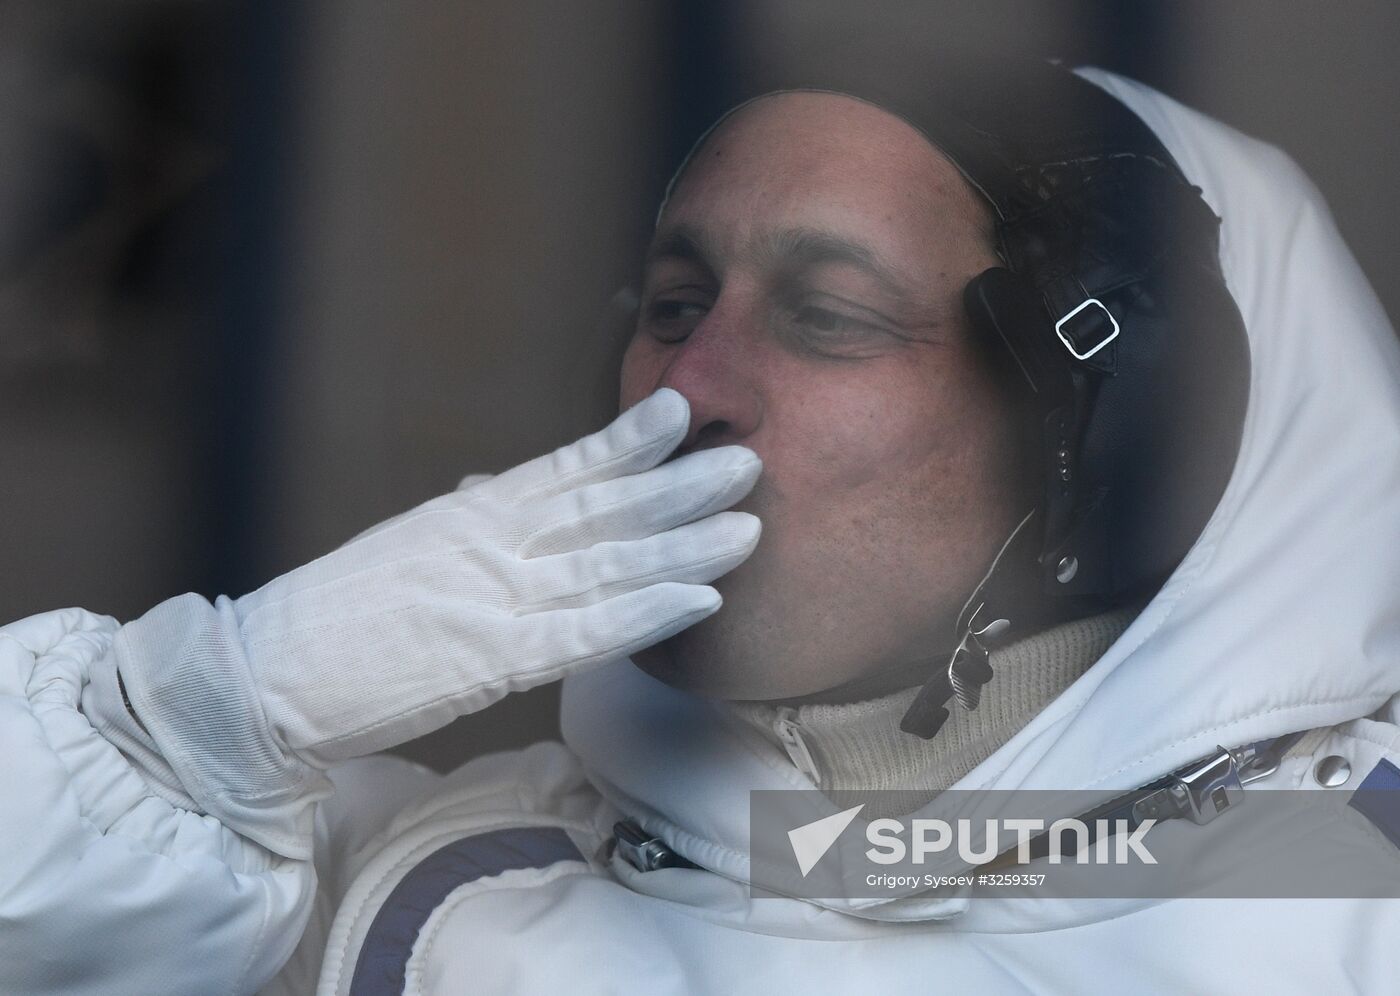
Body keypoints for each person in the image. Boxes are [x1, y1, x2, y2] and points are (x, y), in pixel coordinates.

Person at [3, 61, 1399, 994]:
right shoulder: (436, 893)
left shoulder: (1358, 904)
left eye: (831, 319)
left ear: (1113, 432)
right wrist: (201, 716)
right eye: (676, 306)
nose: (693, 389)